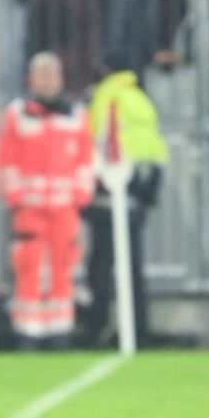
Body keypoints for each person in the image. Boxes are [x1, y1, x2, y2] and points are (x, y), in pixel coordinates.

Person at [0, 52, 95, 349]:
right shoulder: (18, 113)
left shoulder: (76, 114)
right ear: (31, 79)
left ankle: (59, 331)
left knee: (62, 268)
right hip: (30, 205)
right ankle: (28, 332)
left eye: (52, 74)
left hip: (65, 206)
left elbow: (85, 159)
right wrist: (14, 194)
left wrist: (81, 194)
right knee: (28, 267)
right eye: (42, 75)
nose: (47, 80)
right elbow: (7, 158)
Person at [83, 51, 169, 349]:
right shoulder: (139, 97)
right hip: (139, 192)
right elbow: (154, 146)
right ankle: (138, 329)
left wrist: (97, 184)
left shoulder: (108, 96)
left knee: (101, 267)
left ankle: (96, 328)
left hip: (113, 192)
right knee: (133, 267)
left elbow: (99, 142)